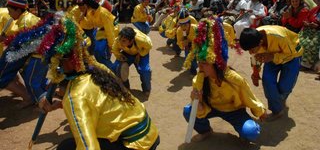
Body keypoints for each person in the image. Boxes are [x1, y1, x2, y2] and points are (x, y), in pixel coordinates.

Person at [24, 14, 160, 150]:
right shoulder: (99, 68)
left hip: (135, 145)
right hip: (150, 133)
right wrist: (61, 105)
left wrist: (67, 103)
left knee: (66, 147)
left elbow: (89, 147)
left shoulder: (75, 96)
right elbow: (96, 101)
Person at [183, 18, 266, 143]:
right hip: (211, 107)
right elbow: (199, 110)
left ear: (216, 64)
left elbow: (249, 97)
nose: (199, 67)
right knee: (189, 111)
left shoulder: (234, 79)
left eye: (204, 63)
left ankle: (245, 131)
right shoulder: (199, 80)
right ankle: (206, 131)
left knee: (251, 132)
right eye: (199, 63)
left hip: (234, 111)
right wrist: (198, 102)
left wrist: (260, 112)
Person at [239, 26, 303, 121]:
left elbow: (291, 54)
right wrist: (255, 74)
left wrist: (272, 57)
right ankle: (277, 111)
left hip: (292, 55)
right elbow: (255, 58)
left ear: (260, 43)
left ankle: (281, 99)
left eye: (252, 49)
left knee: (285, 86)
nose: (250, 52)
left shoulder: (280, 37)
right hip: (270, 55)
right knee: (267, 80)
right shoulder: (254, 39)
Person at [112, 27, 153, 97]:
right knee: (117, 68)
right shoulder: (118, 40)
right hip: (127, 53)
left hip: (141, 52)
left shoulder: (142, 39)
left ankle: (146, 89)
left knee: (145, 70)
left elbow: (149, 46)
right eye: (120, 39)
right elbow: (115, 50)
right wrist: (121, 57)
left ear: (131, 41)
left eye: (124, 41)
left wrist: (140, 54)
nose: (121, 42)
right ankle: (125, 87)